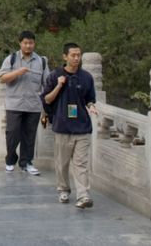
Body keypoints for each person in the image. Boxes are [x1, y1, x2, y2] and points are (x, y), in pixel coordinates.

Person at [43, 42, 98, 209]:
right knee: (62, 163)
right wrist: (59, 85)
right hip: (62, 127)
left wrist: (91, 106)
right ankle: (64, 189)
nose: (76, 58)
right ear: (65, 56)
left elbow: (89, 98)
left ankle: (83, 195)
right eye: (73, 55)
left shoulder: (86, 77)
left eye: (78, 55)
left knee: (80, 164)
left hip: (82, 127)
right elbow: (47, 99)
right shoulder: (54, 76)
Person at [0, 30, 49, 175]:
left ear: (34, 44)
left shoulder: (41, 61)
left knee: (29, 135)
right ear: (20, 43)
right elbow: (2, 78)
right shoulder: (11, 59)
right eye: (25, 43)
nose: (28, 46)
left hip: (33, 105)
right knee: (12, 133)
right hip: (14, 104)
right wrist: (18, 72)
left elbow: (47, 83)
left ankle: (26, 162)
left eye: (31, 43)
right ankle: (10, 160)